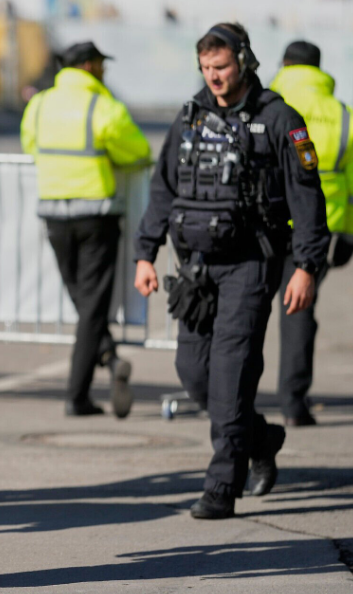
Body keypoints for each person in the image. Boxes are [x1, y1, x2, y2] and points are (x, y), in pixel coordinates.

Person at [134, 23, 330, 519]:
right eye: (205, 68)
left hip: (251, 265)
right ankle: (262, 440)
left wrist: (306, 265)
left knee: (230, 376)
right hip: (197, 268)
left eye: (220, 67)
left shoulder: (281, 118)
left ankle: (222, 486)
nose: (213, 77)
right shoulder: (190, 117)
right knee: (193, 373)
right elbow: (163, 189)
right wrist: (145, 253)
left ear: (243, 61)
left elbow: (308, 199)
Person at [20, 41, 150, 418]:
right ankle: (77, 396)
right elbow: (138, 152)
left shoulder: (40, 104)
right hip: (96, 215)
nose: (105, 72)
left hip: (54, 213)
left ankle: (108, 357)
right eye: (102, 66)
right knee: (92, 307)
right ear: (91, 66)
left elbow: (31, 144)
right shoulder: (104, 106)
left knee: (83, 299)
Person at [269, 41, 353, 427]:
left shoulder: (267, 102)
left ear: (285, 64)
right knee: (299, 311)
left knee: (245, 309)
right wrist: (347, 234)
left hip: (265, 222)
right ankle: (293, 401)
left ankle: (227, 393)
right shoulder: (344, 115)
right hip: (320, 229)